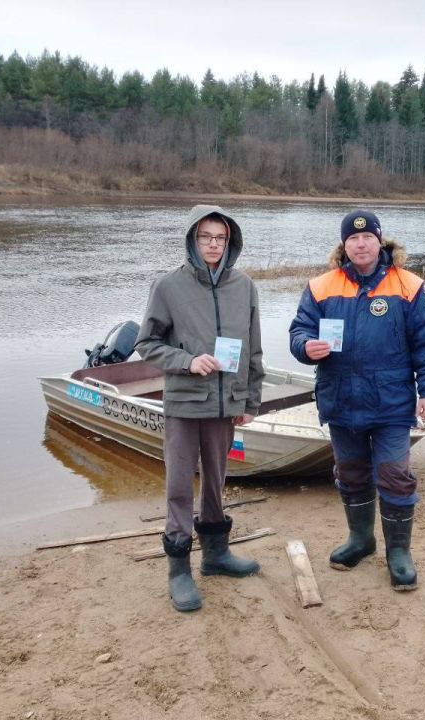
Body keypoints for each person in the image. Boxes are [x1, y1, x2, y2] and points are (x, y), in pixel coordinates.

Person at [289, 209, 425, 591]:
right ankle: (361, 540)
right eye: (353, 238)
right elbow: (299, 331)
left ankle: (398, 553)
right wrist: (306, 347)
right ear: (344, 244)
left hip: (391, 402)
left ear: (380, 241)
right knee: (352, 475)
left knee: (394, 476)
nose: (360, 244)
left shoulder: (408, 286)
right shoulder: (320, 287)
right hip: (341, 401)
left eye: (367, 237)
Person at [135, 204, 264, 612]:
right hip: (185, 403)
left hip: (226, 404)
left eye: (220, 238)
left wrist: (250, 401)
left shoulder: (245, 287)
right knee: (177, 486)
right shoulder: (168, 287)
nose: (213, 244)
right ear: (192, 239)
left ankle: (215, 555)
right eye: (205, 237)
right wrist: (187, 361)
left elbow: (253, 350)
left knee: (215, 481)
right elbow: (147, 344)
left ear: (231, 242)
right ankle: (179, 571)